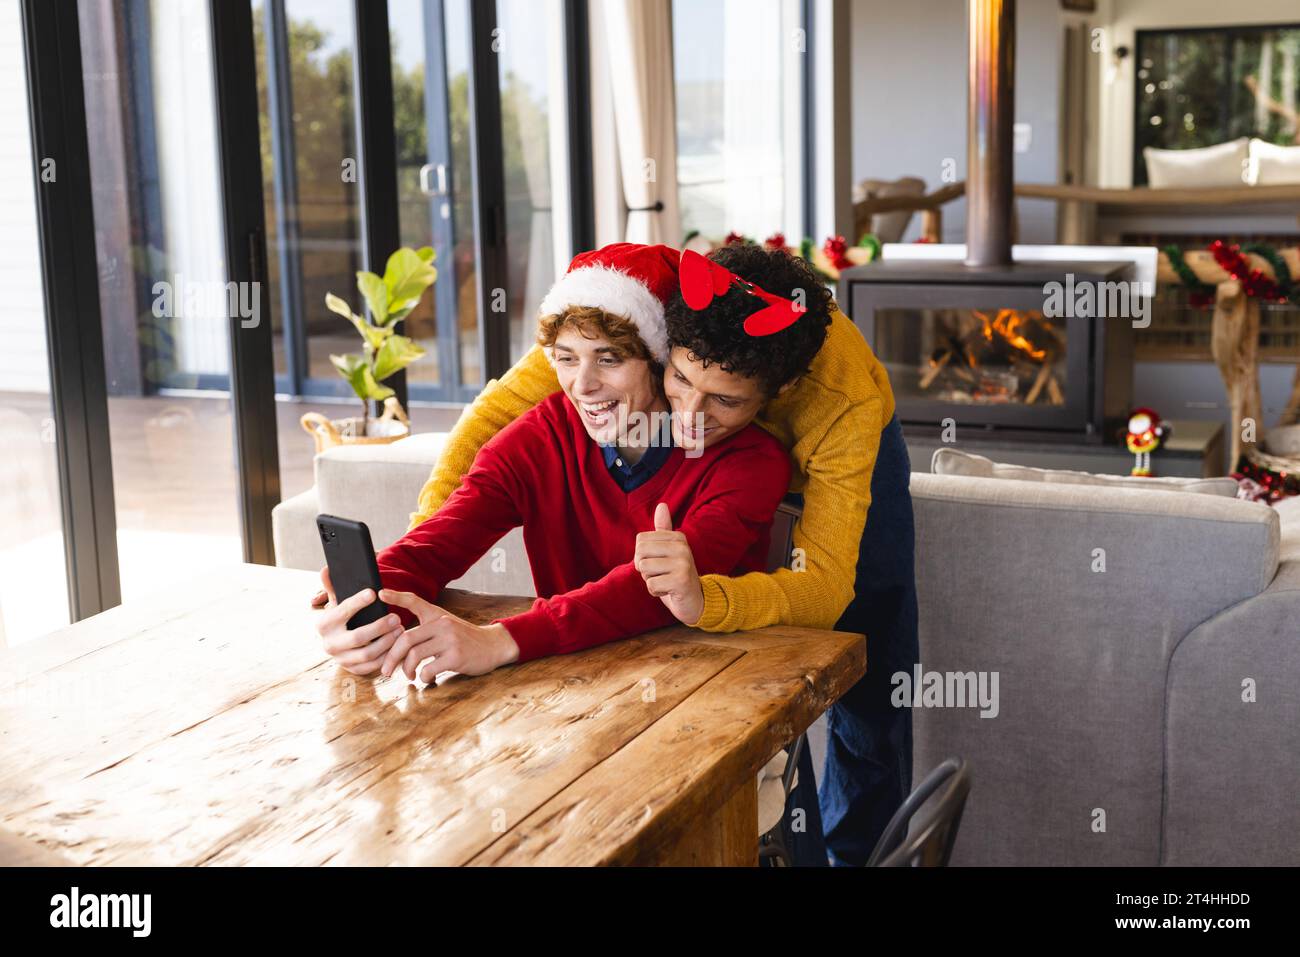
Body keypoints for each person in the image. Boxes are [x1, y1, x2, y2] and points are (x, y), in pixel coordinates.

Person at [404, 241, 918, 866]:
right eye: (678, 378)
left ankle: (859, 855)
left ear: (776, 392)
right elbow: (491, 424)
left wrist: (709, 596)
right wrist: (411, 567)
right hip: (720, 473)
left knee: (868, 655)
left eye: (723, 400)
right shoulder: (622, 321)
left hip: (838, 448)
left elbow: (824, 590)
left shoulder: (842, 406)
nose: (691, 422)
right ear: (658, 344)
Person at [312, 243, 792, 685]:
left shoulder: (750, 462)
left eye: (609, 359)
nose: (582, 385)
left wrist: (501, 640)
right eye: (566, 358)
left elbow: (650, 593)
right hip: (566, 688)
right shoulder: (540, 438)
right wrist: (363, 613)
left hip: (709, 689)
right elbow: (433, 547)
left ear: (662, 363)